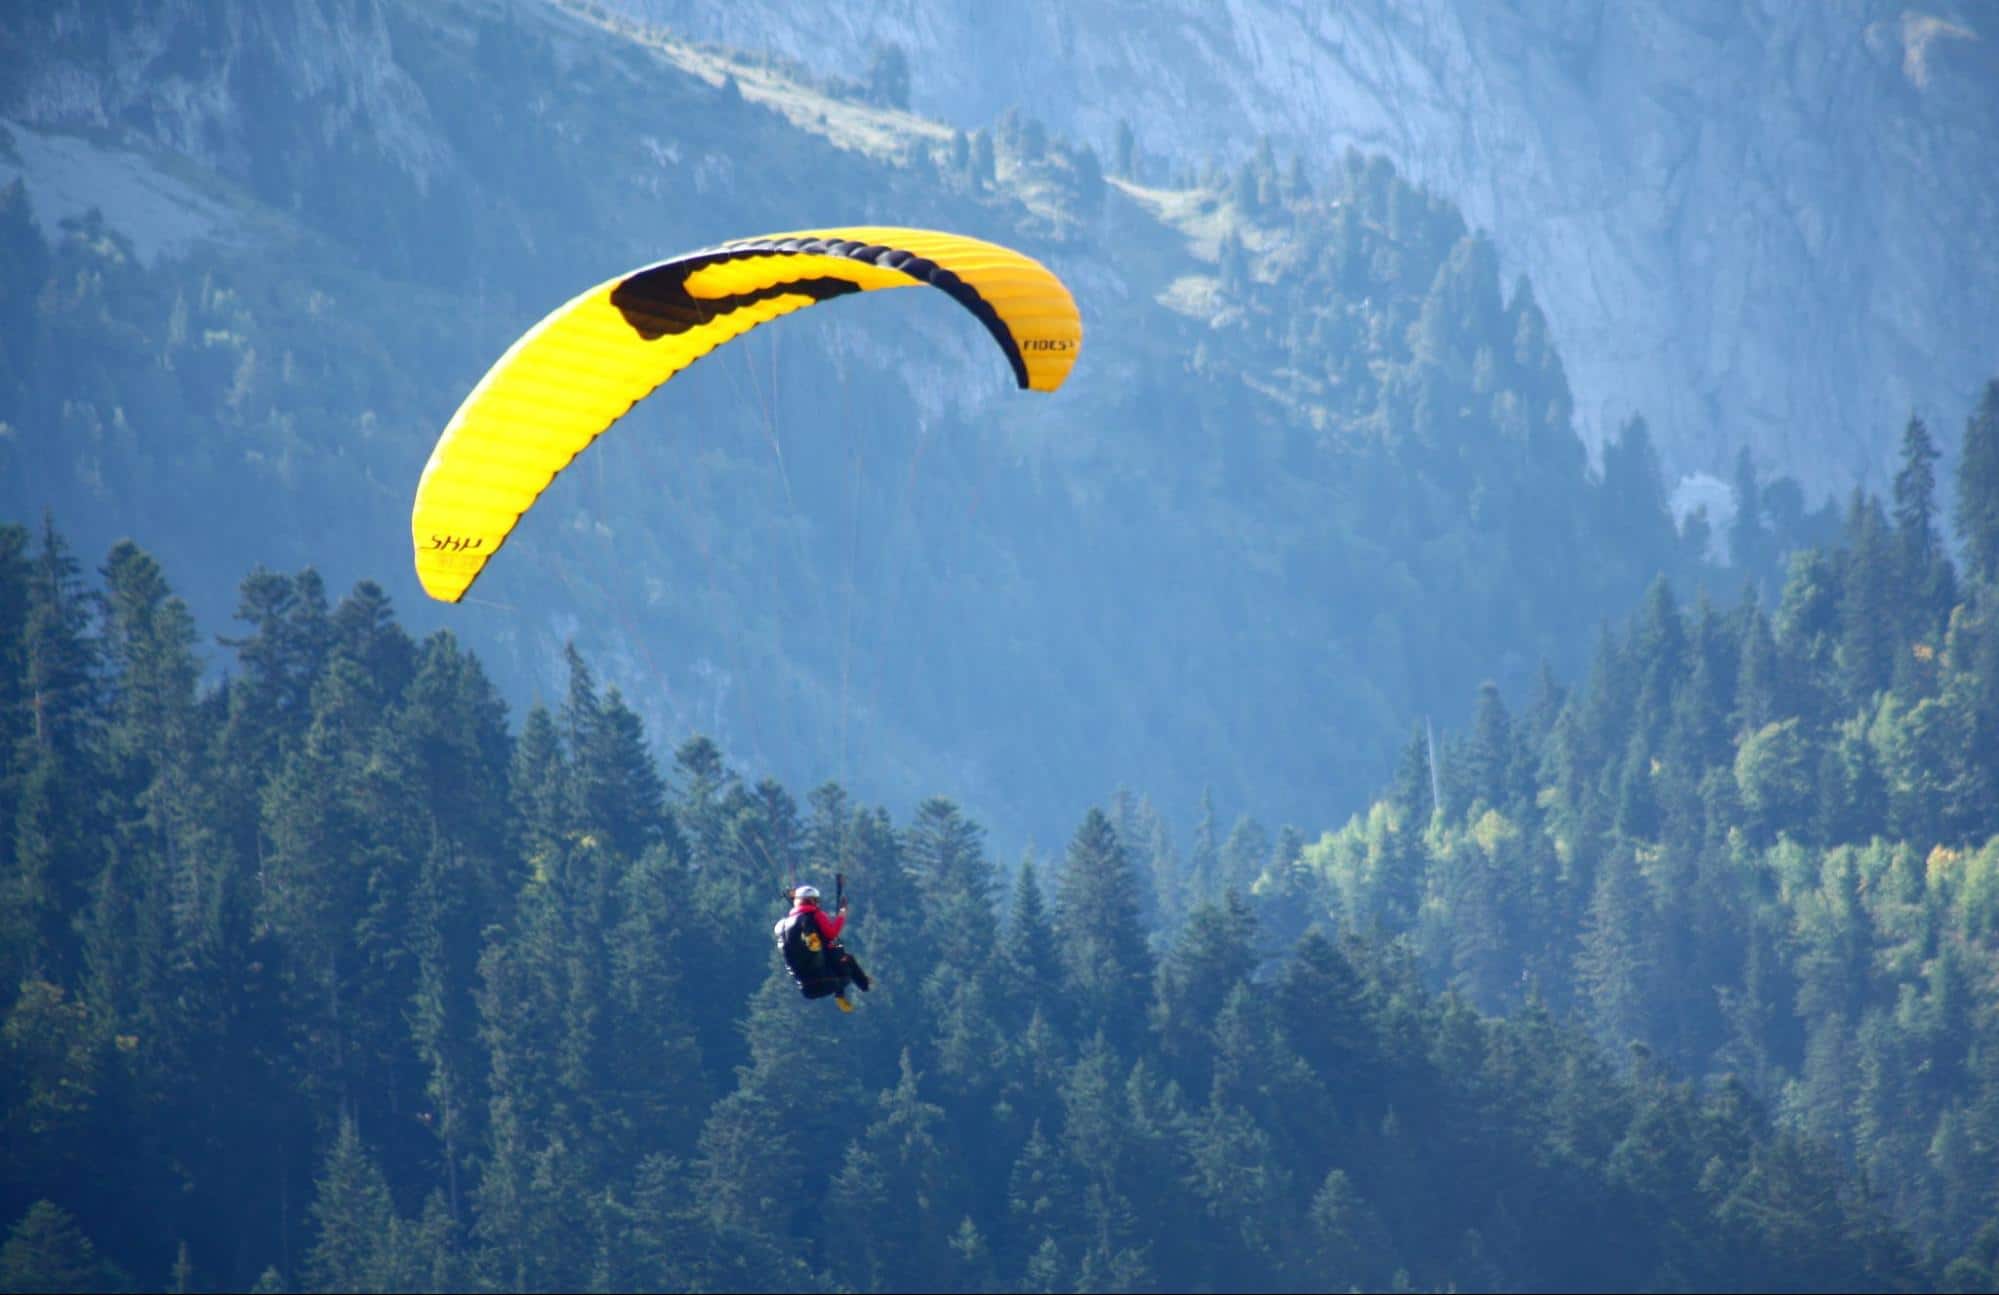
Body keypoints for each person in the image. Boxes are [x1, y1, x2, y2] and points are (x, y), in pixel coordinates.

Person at [774, 884, 873, 1011]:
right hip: (828, 981)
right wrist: (842, 915)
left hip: (806, 988)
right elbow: (832, 933)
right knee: (842, 953)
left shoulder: (783, 925)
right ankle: (864, 986)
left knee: (833, 950)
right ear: (811, 901)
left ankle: (842, 994)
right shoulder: (815, 915)